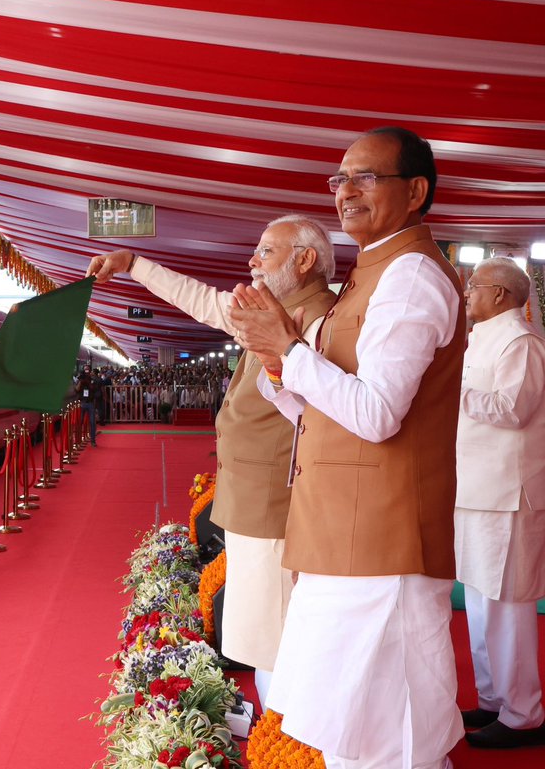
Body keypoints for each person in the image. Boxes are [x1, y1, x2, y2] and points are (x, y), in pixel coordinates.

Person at [228, 126, 465, 767]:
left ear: (415, 191)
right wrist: (277, 363)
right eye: (339, 179)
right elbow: (322, 410)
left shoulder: (412, 276)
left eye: (365, 178)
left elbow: (378, 413)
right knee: (354, 730)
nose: (345, 192)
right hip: (345, 535)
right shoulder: (373, 275)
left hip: (379, 542)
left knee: (381, 737)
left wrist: (287, 349)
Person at [86, 214, 336, 709]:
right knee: (263, 626)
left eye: (266, 251)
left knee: (277, 628)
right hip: (253, 496)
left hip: (278, 499)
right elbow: (204, 300)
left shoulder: (321, 321)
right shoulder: (275, 311)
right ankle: (280, 730)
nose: (252, 261)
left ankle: (289, 738)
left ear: (305, 260)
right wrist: (133, 263)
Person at [453, 257, 545, 749]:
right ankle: (492, 699)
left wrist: (454, 394)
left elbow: (513, 409)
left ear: (503, 295)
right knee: (481, 603)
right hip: (475, 489)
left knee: (508, 606)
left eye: (475, 285)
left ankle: (524, 714)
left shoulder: (522, 342)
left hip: (509, 494)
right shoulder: (481, 338)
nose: (468, 292)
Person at [75, 366, 98, 446]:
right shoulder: (80, 379)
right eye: (85, 369)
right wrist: (81, 381)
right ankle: (77, 441)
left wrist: (88, 381)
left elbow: (93, 389)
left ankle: (93, 441)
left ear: (90, 371)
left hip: (90, 403)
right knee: (79, 422)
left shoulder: (92, 380)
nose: (86, 371)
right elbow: (77, 389)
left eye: (88, 369)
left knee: (92, 422)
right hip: (82, 403)